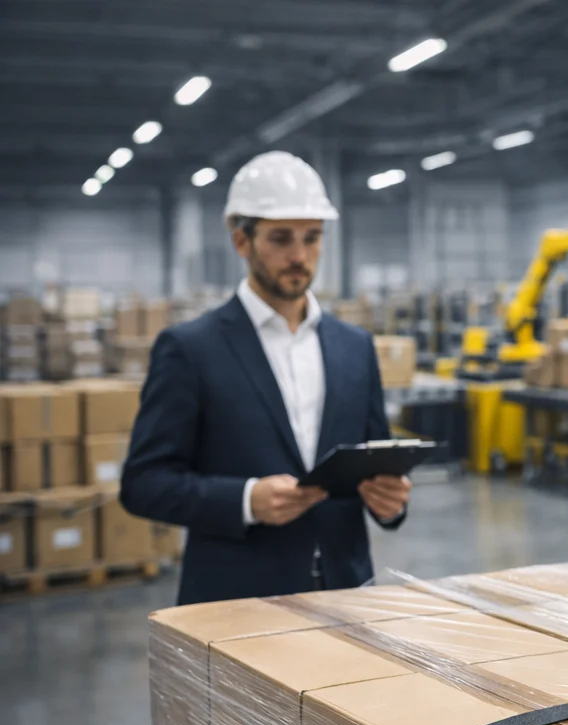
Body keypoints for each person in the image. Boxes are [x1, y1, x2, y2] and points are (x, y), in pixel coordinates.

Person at [122, 151, 412, 605]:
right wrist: (244, 499)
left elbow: (374, 464)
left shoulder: (354, 347)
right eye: (281, 239)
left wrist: (391, 502)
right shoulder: (191, 349)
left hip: (347, 595)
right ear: (241, 241)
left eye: (312, 238)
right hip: (237, 600)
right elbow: (143, 484)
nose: (299, 256)